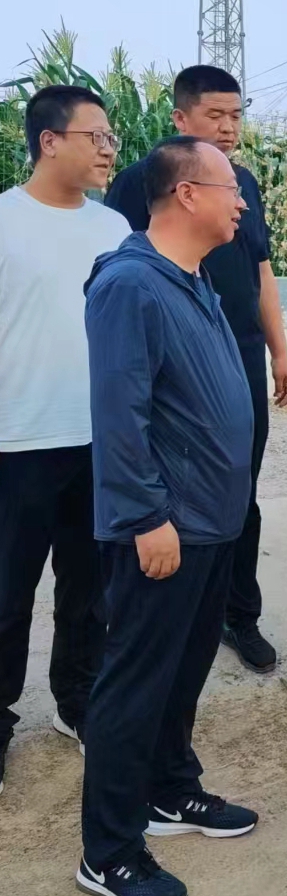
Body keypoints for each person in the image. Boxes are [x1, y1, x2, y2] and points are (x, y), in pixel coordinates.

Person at [79, 137, 258, 896]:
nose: (241, 201)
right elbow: (120, 414)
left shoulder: (193, 277)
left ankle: (169, 789)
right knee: (134, 686)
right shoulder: (130, 284)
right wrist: (147, 516)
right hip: (166, 528)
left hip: (212, 522)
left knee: (182, 674)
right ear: (187, 194)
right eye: (229, 187)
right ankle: (109, 852)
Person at [105, 65, 287, 674]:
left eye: (236, 116)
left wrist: (279, 351)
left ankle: (238, 614)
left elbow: (261, 269)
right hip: (175, 364)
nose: (229, 127)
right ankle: (162, 610)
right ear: (180, 118)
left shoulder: (244, 184)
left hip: (239, 353)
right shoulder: (142, 183)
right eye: (216, 115)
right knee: (177, 489)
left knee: (240, 489)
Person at [0, 86, 132, 796]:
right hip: (15, 440)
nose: (108, 150)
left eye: (111, 138)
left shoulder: (115, 229)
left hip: (98, 442)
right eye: (96, 136)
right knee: (7, 593)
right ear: (49, 141)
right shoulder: (4, 221)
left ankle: (77, 704)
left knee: (89, 590)